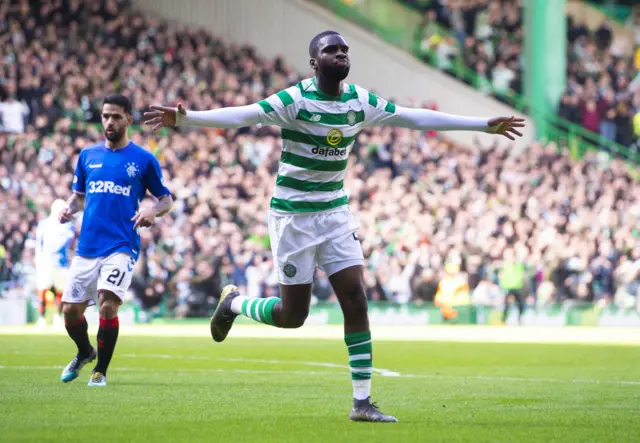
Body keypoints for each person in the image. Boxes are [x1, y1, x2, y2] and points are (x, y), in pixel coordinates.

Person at [144, 30, 525, 422]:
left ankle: (362, 403)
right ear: (314, 61)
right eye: (331, 50)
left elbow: (413, 117)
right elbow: (245, 114)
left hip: (335, 212)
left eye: (344, 49)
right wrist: (188, 119)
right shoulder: (295, 100)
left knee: (356, 299)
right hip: (293, 217)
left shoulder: (360, 100)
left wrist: (482, 124)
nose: (340, 54)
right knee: (293, 317)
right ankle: (235, 303)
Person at [59, 94, 173, 387]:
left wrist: (151, 210)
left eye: (116, 116)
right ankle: (85, 352)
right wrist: (67, 208)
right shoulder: (87, 156)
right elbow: (80, 196)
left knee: (107, 303)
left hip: (122, 243)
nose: (109, 122)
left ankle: (100, 371)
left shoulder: (144, 159)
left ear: (129, 120)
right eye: (105, 116)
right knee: (70, 311)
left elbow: (165, 199)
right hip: (88, 246)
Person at [34, 199, 76, 328]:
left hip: (60, 262)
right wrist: (38, 257)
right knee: (43, 290)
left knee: (60, 291)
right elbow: (38, 243)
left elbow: (67, 241)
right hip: (46, 262)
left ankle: (58, 317)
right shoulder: (43, 224)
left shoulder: (68, 225)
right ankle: (41, 318)